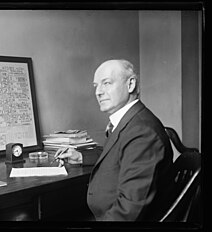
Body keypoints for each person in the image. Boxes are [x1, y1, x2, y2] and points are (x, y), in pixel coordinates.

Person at [55, 59, 175, 221]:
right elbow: (117, 154)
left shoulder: (142, 131)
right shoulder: (130, 121)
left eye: (107, 83)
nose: (98, 92)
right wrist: (81, 157)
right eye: (96, 85)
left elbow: (129, 211)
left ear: (130, 84)